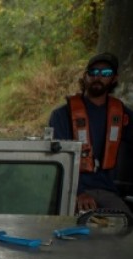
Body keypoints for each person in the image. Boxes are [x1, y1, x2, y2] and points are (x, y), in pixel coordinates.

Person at [48, 52, 133, 215]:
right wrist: (78, 192)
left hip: (108, 192)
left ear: (114, 78)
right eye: (93, 72)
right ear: (85, 77)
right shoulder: (61, 115)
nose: (98, 77)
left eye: (105, 73)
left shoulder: (123, 115)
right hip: (70, 191)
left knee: (126, 228)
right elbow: (57, 159)